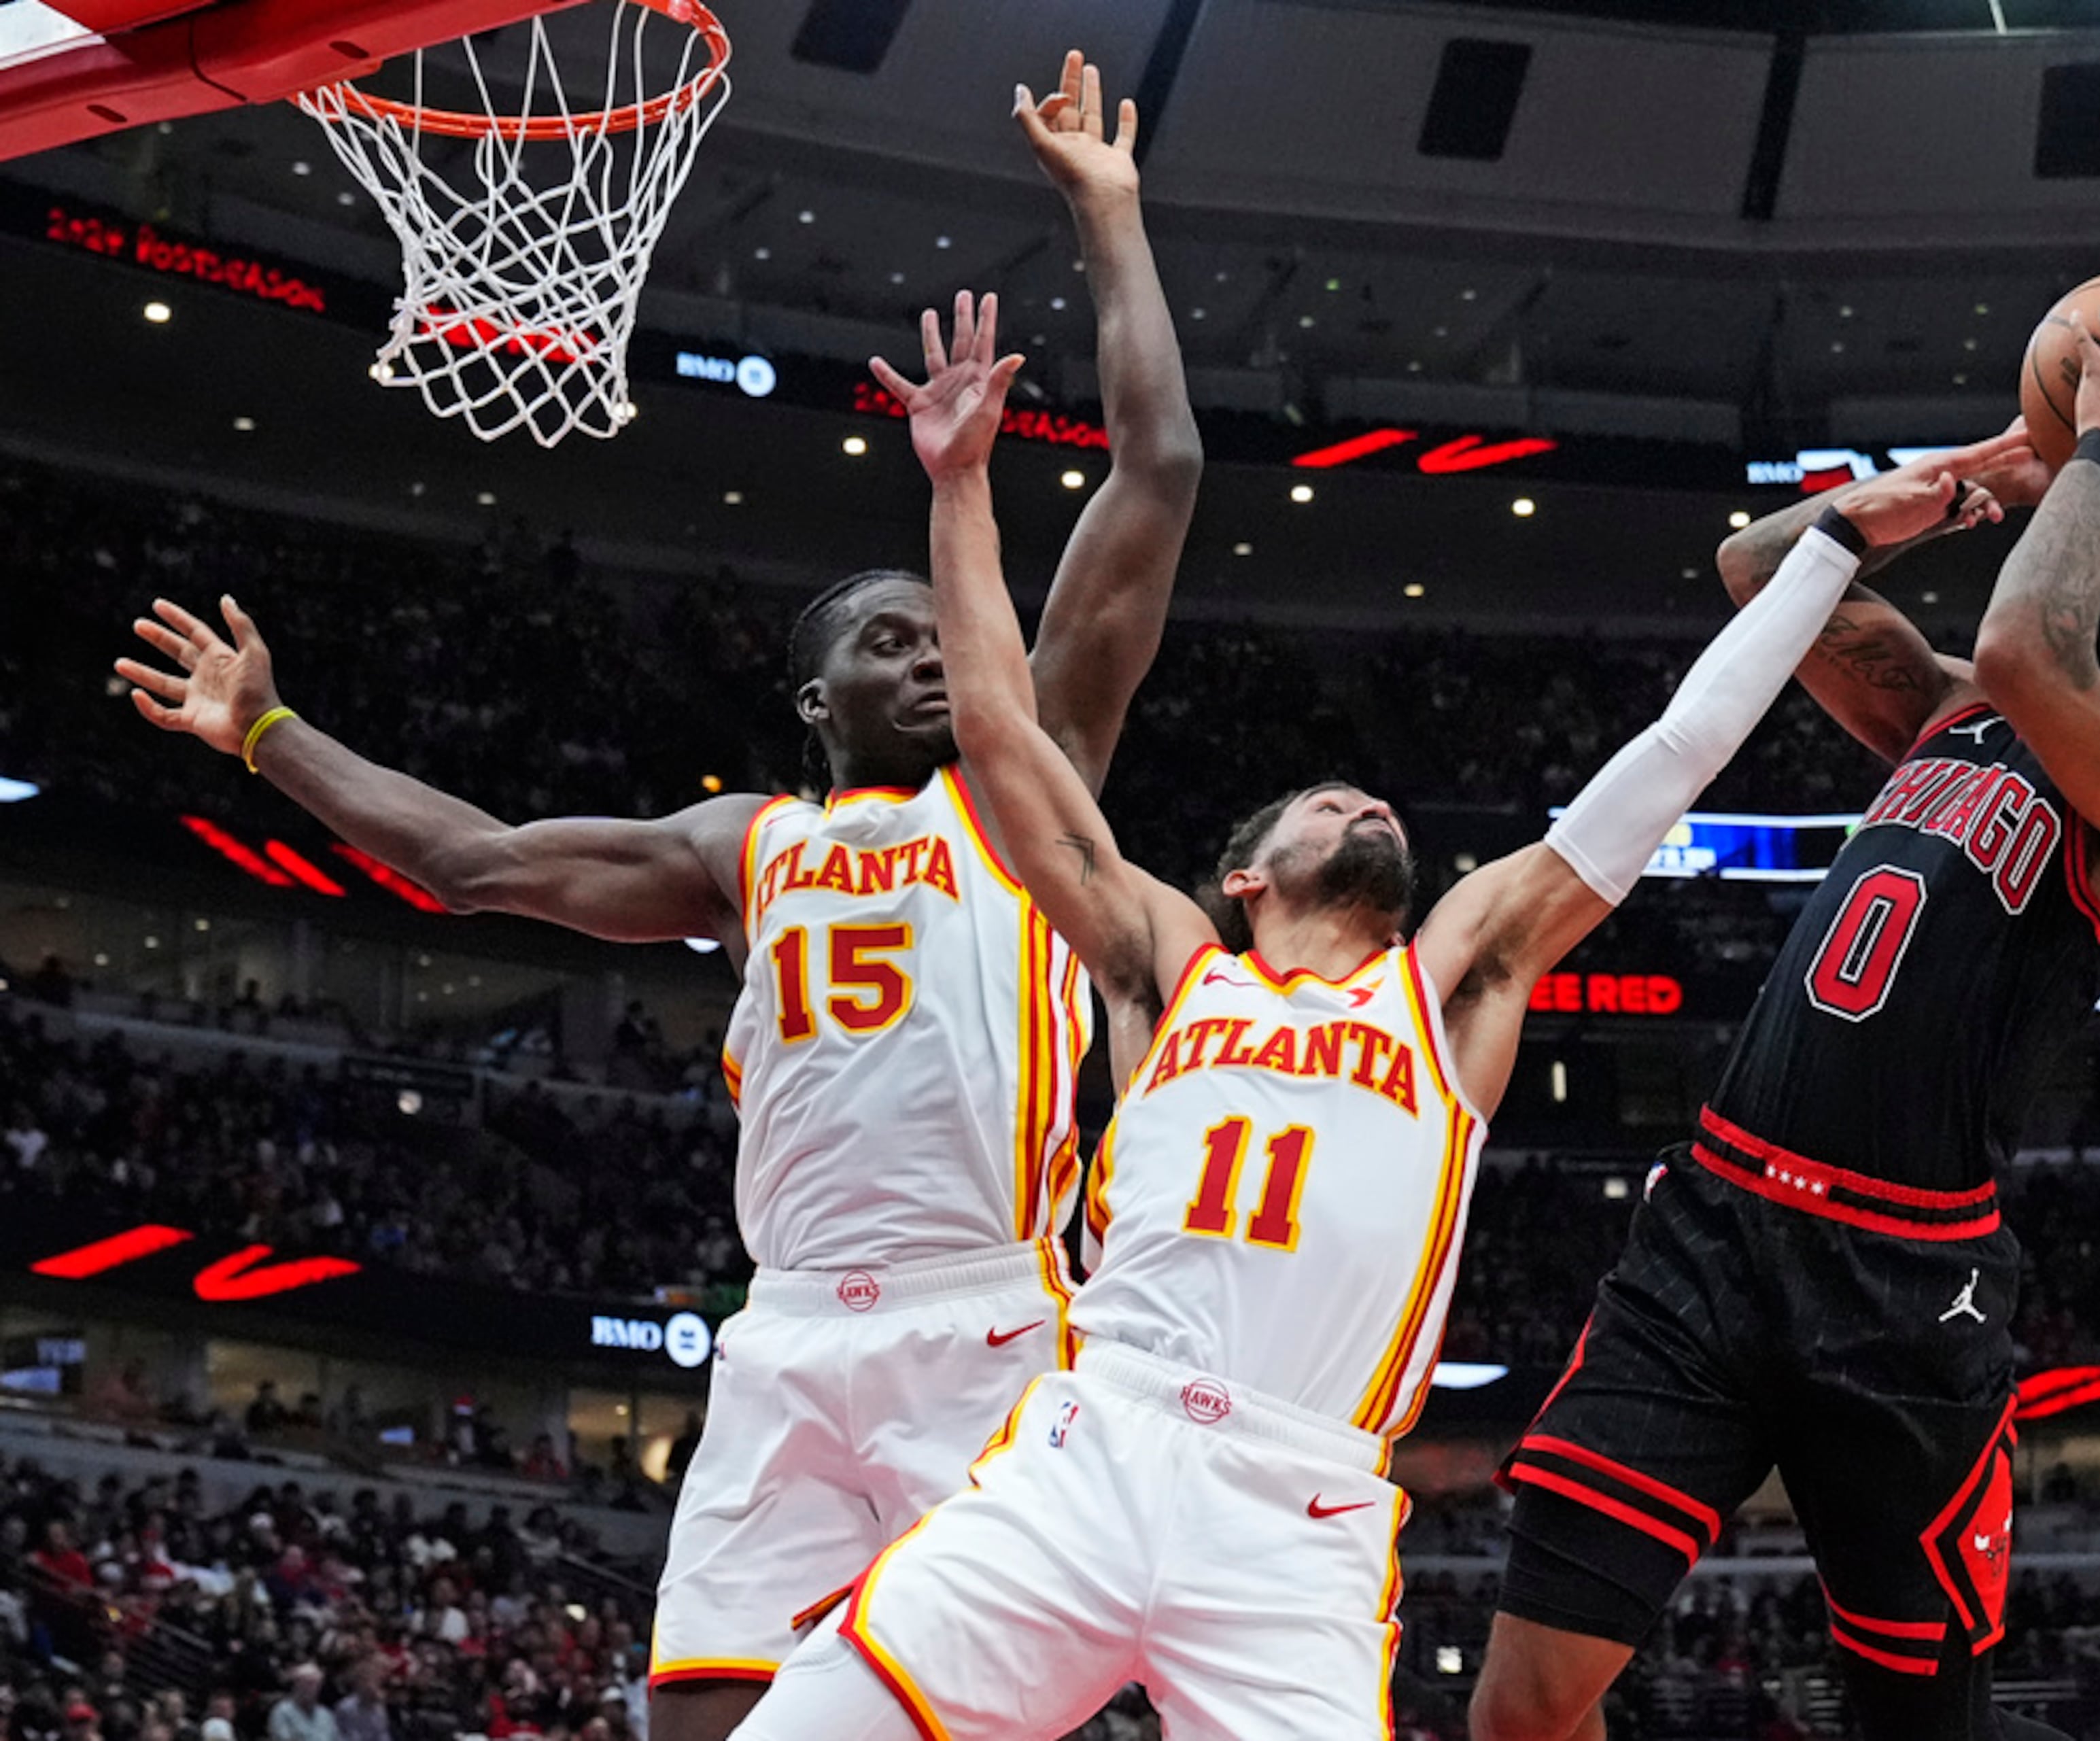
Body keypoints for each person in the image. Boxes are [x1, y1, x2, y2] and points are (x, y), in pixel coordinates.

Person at [729, 293, 2003, 1740]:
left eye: (1374, 798)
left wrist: (1829, 545)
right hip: (1091, 1450)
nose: (1370, 799)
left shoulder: (1453, 981)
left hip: (1294, 1511)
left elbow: (1672, 757)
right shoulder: (1167, 964)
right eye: (1332, 801)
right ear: (1245, 875)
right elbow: (1002, 741)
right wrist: (960, 485)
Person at [114, 54, 1199, 1741]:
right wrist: (267, 732)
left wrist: (1110, 221)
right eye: (886, 642)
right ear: (813, 700)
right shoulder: (741, 846)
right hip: (777, 1341)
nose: (929, 658)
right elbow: (471, 864)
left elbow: (1157, 477)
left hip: (986, 1315)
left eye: (943, 634)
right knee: (700, 1723)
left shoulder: (1029, 792)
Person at [1468, 283, 2100, 1741]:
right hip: (1714, 1225)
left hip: (1903, 1287)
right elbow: (1762, 571)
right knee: (1526, 1704)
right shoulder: (1957, 710)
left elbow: (2029, 651)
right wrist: (1975, 476)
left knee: (1914, 1719)